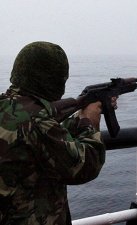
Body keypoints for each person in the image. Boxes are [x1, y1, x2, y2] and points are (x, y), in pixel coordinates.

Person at [0, 41, 117, 224]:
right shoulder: (38, 121)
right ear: (55, 80)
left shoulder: (7, 106)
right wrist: (89, 121)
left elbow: (43, 135)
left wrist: (78, 118)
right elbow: (86, 166)